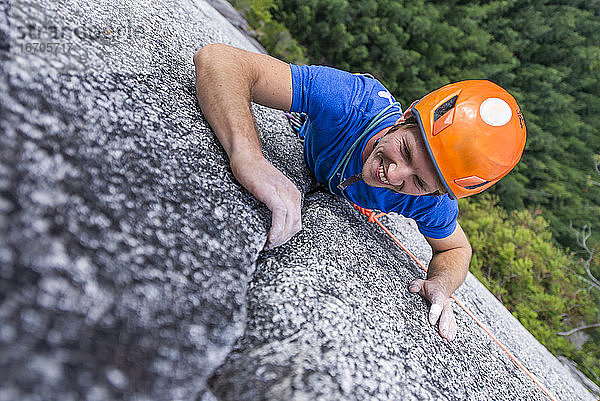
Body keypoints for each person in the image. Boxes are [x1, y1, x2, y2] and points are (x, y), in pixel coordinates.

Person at [193, 43, 526, 342]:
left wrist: (441, 284)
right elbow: (220, 61)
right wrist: (248, 156)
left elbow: (456, 249)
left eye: (419, 182)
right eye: (406, 150)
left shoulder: (429, 199)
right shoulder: (352, 101)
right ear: (406, 117)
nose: (394, 175)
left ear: (435, 192)